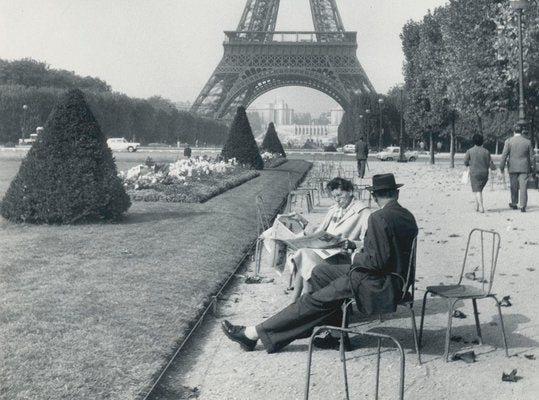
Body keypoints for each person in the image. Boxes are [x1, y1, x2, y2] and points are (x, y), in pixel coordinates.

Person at [221, 173, 418, 353]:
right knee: (320, 273)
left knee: (312, 301)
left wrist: (352, 256)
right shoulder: (407, 216)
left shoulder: (378, 217)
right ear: (396, 193)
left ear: (375, 196)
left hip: (377, 282)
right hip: (394, 280)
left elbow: (375, 262)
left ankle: (252, 334)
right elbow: (386, 256)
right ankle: (336, 336)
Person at [286, 177, 370, 302]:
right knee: (302, 254)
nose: (337, 200)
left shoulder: (364, 212)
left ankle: (300, 301)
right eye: (334, 197)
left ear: (350, 192)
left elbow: (368, 244)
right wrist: (301, 220)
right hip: (326, 253)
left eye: (340, 195)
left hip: (343, 258)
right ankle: (302, 300)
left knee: (304, 255)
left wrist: (352, 244)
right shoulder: (334, 209)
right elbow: (319, 231)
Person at [499, 125, 536, 212]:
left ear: (514, 131)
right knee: (523, 186)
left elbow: (504, 155)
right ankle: (523, 205)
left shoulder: (508, 141)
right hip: (524, 167)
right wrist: (533, 168)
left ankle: (514, 203)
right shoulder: (527, 142)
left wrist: (501, 167)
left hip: (513, 167)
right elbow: (532, 157)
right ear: (522, 131)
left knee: (514, 186)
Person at [464, 133, 496, 213]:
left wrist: (469, 164)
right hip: (484, 173)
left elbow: (465, 161)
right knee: (478, 189)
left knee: (477, 190)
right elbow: (490, 163)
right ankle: (477, 205)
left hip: (474, 173)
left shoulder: (470, 151)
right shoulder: (486, 151)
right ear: (482, 142)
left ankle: (481, 206)